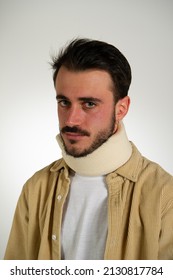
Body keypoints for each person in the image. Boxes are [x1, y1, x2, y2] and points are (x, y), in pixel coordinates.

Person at [4, 38, 173, 260]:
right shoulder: (36, 189)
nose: (71, 120)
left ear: (121, 109)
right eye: (64, 102)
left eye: (89, 104)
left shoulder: (163, 195)